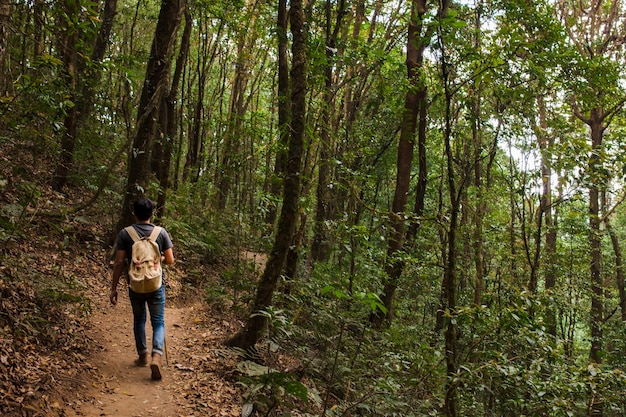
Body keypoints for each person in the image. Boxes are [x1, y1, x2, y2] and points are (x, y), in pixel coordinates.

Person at [110, 198, 175, 381]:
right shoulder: (160, 233)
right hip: (156, 285)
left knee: (139, 319)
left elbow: (119, 262)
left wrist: (113, 288)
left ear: (134, 213)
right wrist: (159, 259)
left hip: (135, 284)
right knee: (158, 322)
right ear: (152, 214)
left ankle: (142, 355)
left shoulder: (125, 234)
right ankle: (156, 356)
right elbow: (170, 260)